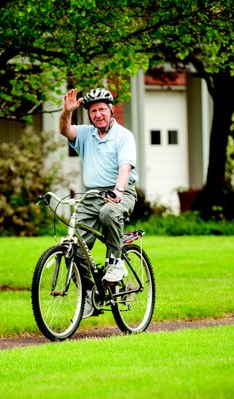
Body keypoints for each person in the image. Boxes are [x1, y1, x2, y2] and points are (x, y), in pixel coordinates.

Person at [59, 87, 138, 318]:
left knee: (109, 213)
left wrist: (118, 191)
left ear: (111, 110)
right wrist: (67, 112)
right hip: (91, 195)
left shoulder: (124, 136)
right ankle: (89, 295)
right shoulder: (85, 134)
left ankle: (115, 262)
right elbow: (65, 130)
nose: (98, 114)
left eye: (102, 109)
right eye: (93, 111)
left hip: (121, 192)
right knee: (72, 247)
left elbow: (125, 168)